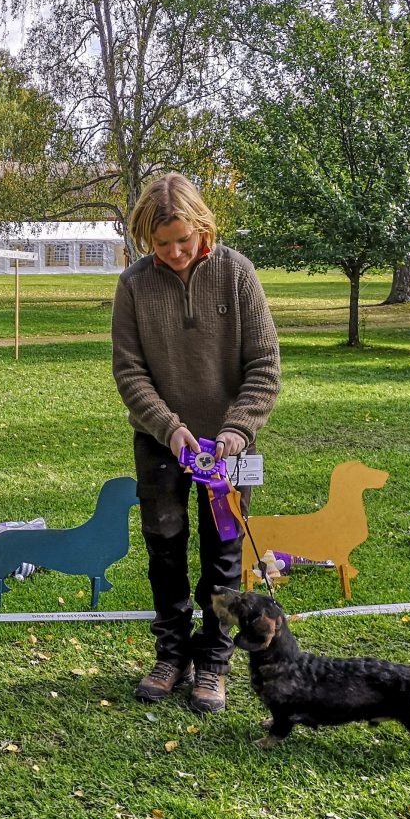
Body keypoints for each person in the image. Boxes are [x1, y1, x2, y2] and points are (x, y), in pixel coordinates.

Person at [111, 173, 281, 714]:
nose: (176, 252)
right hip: (163, 443)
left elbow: (264, 367)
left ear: (202, 226)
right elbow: (130, 374)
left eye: (183, 240)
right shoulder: (133, 285)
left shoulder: (238, 274)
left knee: (223, 557)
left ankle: (213, 661)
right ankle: (172, 654)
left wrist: (237, 428)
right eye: (162, 244)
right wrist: (169, 427)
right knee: (164, 550)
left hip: (231, 450)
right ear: (145, 239)